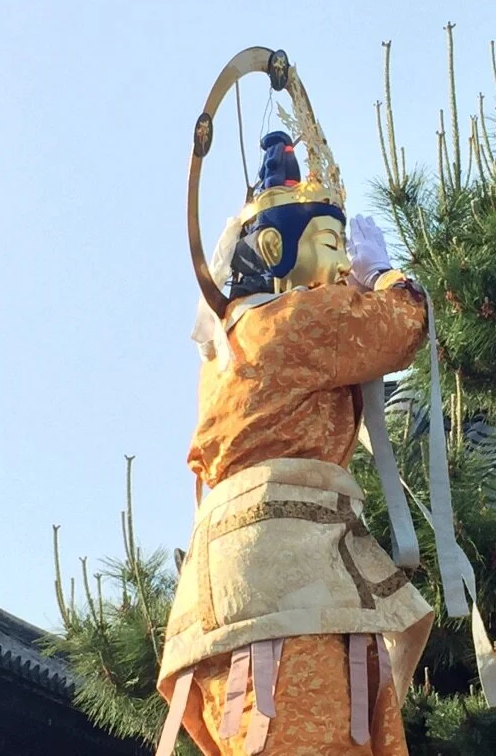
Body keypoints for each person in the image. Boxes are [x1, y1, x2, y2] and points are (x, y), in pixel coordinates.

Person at [155, 131, 436, 756]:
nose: (342, 269)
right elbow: (403, 324)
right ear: (276, 248)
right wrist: (383, 274)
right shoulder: (295, 322)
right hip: (292, 579)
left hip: (217, 595)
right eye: (331, 244)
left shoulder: (226, 347)